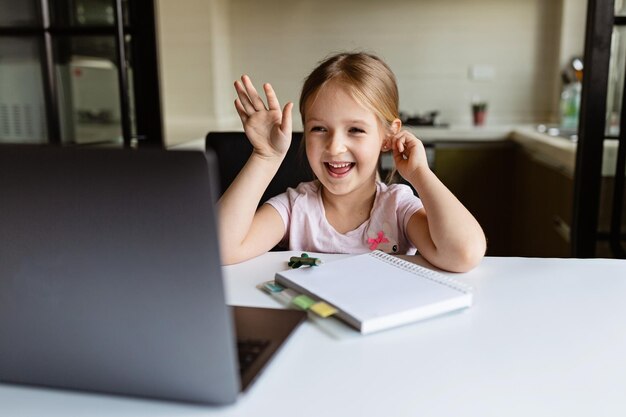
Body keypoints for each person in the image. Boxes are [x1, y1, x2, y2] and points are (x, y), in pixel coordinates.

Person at [218, 52, 486, 272]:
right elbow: (218, 248)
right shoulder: (295, 208)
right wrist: (266, 157)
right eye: (319, 129)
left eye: (355, 130)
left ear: (387, 137)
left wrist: (419, 174)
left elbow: (464, 253)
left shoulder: (397, 207)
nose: (334, 147)